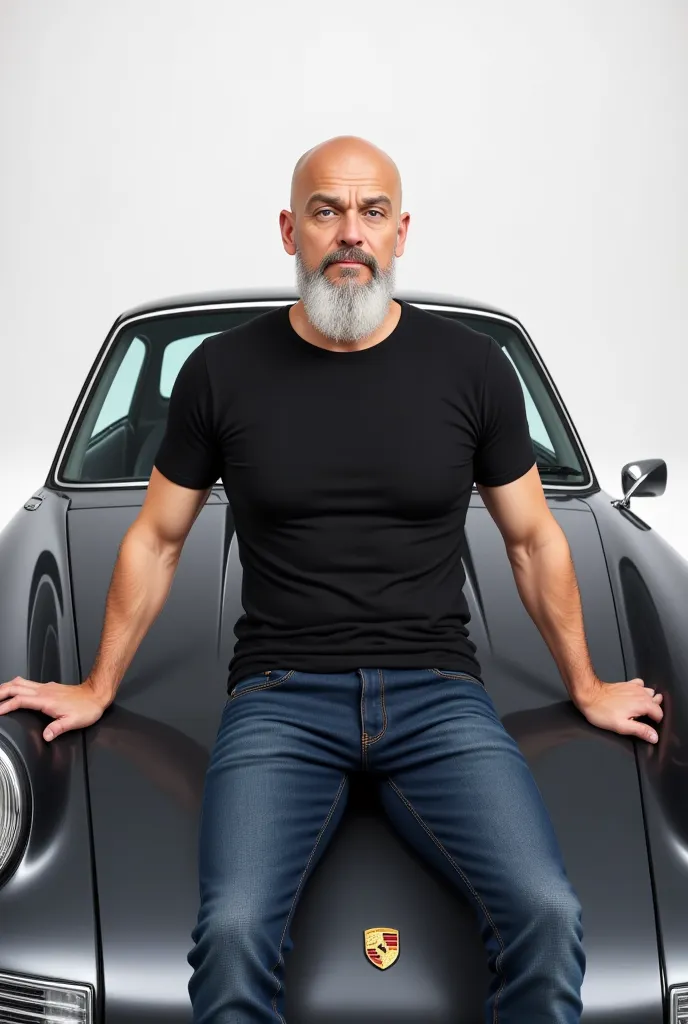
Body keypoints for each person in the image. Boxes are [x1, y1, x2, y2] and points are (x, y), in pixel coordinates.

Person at [0, 135, 664, 1024]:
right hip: (280, 699)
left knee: (548, 913)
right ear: (290, 231)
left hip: (439, 696)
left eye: (371, 212)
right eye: (326, 211)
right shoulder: (219, 374)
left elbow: (536, 540)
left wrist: (585, 684)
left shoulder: (472, 370)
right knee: (233, 932)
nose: (350, 232)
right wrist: (96, 683)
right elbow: (157, 540)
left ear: (400, 232)